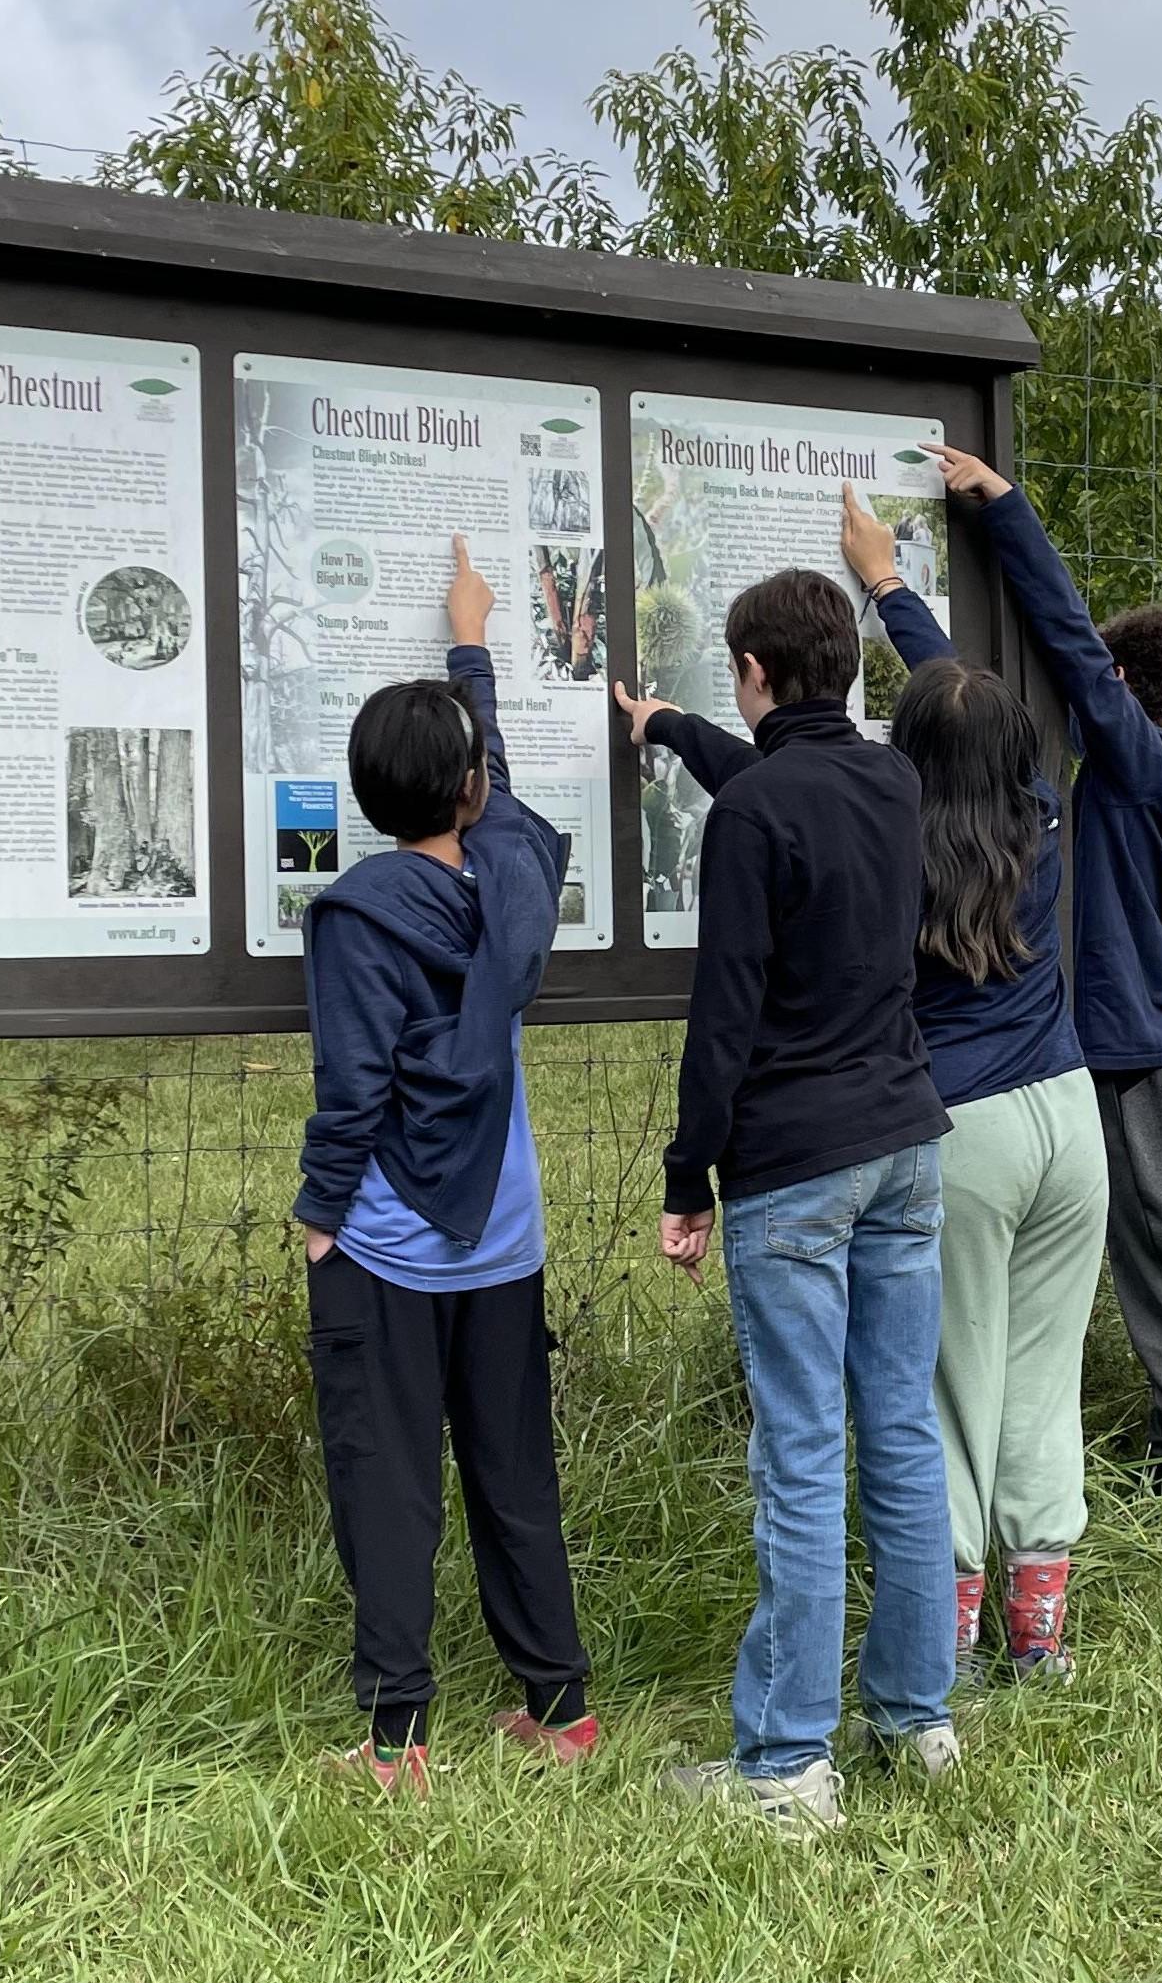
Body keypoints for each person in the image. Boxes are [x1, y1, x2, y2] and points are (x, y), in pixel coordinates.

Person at [617, 566, 958, 1838]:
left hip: (796, 1168)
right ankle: (919, 1718)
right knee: (903, 1436)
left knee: (804, 1457)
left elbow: (726, 1016)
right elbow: (780, 778)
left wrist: (683, 1176)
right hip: (907, 1146)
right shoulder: (895, 782)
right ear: (850, 672)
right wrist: (665, 727)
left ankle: (784, 1768)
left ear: (752, 675)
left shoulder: (753, 819)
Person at [294, 537, 591, 1795]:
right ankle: (560, 1706)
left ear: (368, 794)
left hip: (390, 1240)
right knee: (515, 1468)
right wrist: (472, 643)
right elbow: (499, 777)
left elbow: (355, 1085)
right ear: (472, 788)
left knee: (390, 1476)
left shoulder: (361, 914)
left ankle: (397, 1739)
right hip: (504, 1233)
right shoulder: (514, 874)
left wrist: (318, 1212)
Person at [932, 446, 1162, 1558]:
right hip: (1145, 1046)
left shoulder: (1143, 764)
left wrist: (1008, 513)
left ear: (1118, 693)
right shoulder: (1139, 778)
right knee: (1161, 1268)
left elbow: (1067, 639)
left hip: (1148, 1053)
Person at [841, 492, 1105, 1682]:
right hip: (1071, 1117)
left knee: (949, 1385)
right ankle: (1037, 1623)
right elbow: (969, 712)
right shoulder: (1038, 818)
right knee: (1042, 1381)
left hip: (966, 1131)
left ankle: (939, 1630)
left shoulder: (898, 848)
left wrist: (880, 587)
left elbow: (948, 723)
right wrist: (894, 591)